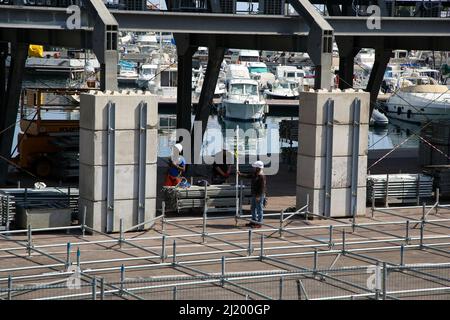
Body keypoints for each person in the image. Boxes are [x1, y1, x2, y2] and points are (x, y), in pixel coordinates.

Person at [238, 160, 266, 229]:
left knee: (259, 209)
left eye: (254, 167)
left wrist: (258, 196)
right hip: (254, 194)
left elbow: (262, 188)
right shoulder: (255, 174)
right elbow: (249, 176)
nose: (253, 168)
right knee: (253, 208)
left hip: (258, 195)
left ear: (258, 168)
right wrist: (240, 174)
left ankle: (259, 223)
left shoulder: (261, 176)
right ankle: (254, 220)